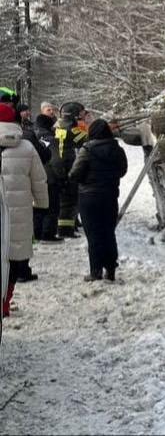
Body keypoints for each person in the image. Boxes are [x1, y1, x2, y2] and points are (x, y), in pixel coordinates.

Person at [0, 103, 48, 315]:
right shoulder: (27, 147)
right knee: (12, 260)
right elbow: (39, 180)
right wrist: (42, 205)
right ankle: (4, 303)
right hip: (17, 215)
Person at [69, 119, 127, 282]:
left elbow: (75, 174)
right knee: (109, 232)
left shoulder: (86, 150)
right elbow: (122, 171)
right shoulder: (117, 149)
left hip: (89, 198)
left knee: (94, 234)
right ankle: (110, 269)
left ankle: (96, 270)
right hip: (109, 196)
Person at [51, 104, 87, 238]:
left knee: (60, 198)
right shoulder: (73, 131)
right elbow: (89, 139)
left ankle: (62, 226)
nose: (84, 116)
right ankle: (65, 229)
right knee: (69, 198)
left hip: (54, 166)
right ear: (75, 115)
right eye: (82, 113)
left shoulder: (55, 127)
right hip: (66, 166)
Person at [33, 114, 62, 242]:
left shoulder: (31, 136)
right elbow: (56, 161)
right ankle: (48, 233)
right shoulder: (51, 139)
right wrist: (61, 176)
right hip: (50, 177)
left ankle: (37, 232)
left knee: (38, 205)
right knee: (52, 205)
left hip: (34, 176)